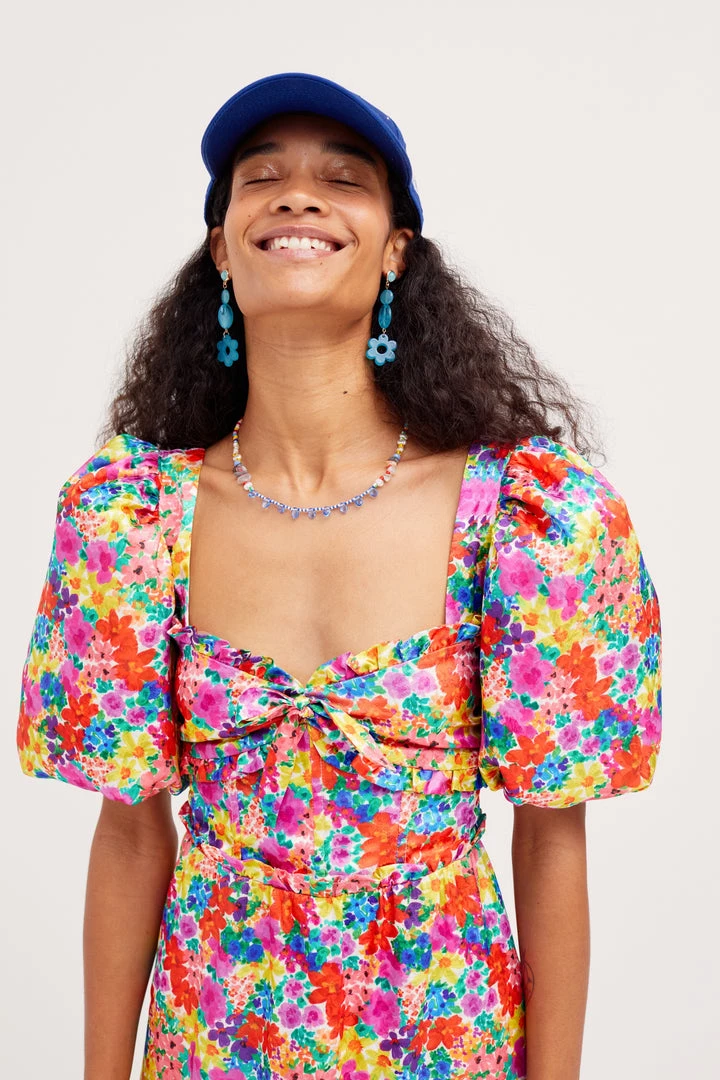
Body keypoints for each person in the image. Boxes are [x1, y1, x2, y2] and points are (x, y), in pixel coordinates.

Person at [16, 72, 662, 1080]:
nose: (298, 196)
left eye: (343, 179)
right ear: (221, 248)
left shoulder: (526, 517)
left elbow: (550, 841)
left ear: (397, 248)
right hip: (211, 1046)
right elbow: (133, 836)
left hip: (444, 1047)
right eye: (261, 177)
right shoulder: (132, 519)